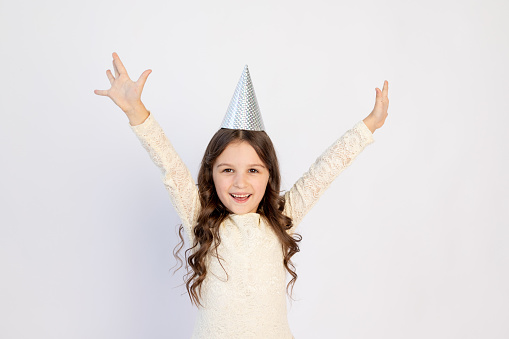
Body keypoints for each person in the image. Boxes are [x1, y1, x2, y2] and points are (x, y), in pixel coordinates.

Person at [94, 52, 389, 339]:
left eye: (253, 171)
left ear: (269, 174)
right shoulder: (199, 216)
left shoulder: (282, 219)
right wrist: (136, 110)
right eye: (227, 170)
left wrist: (370, 125)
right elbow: (168, 164)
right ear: (211, 173)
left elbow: (325, 171)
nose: (240, 184)